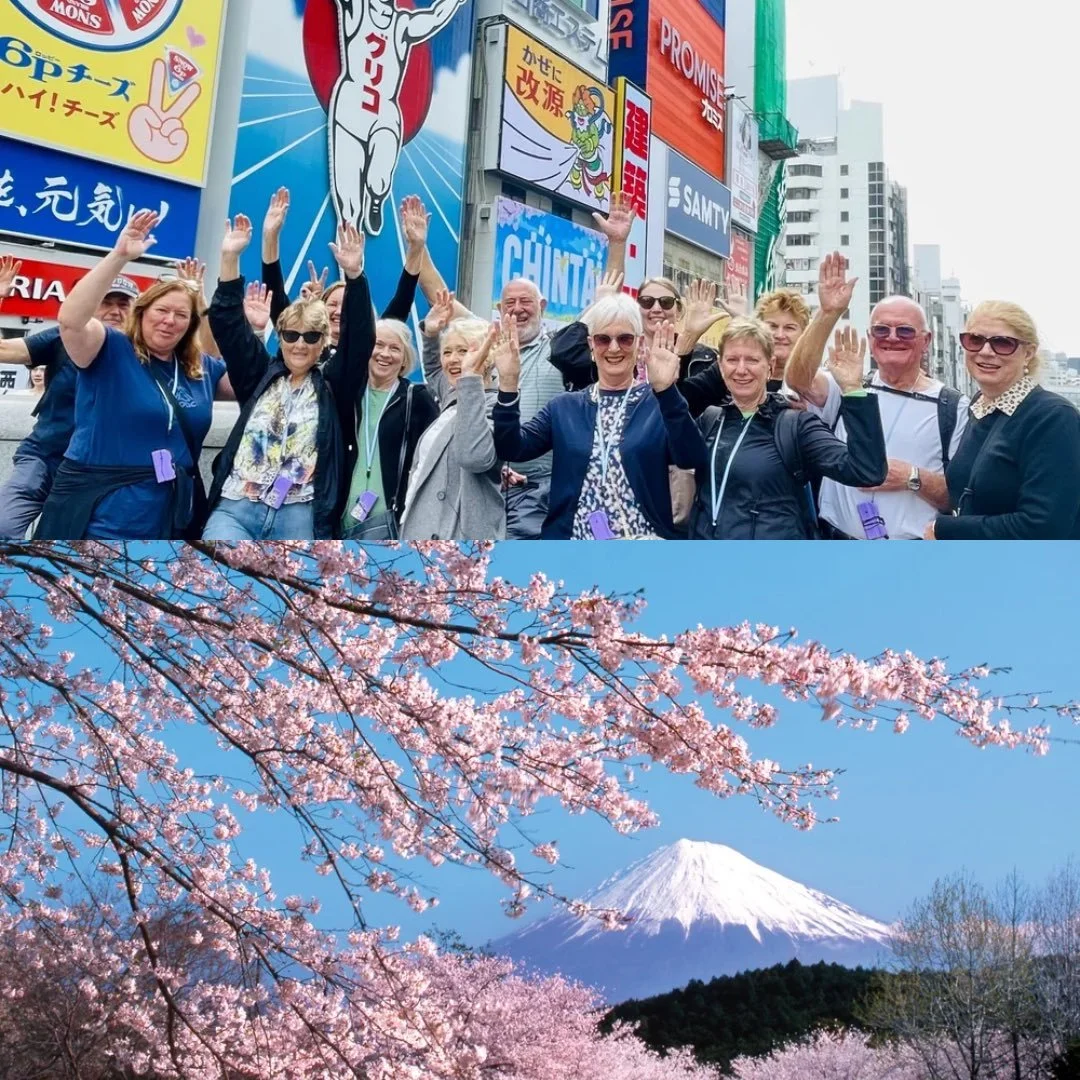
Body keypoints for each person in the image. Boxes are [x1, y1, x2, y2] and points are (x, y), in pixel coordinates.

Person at [419, 193, 636, 538]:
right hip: (487, 484)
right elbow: (441, 300)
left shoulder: (563, 347)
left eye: (526, 302)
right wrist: (418, 247)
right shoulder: (489, 341)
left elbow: (607, 300)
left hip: (545, 490)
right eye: (509, 303)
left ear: (543, 305)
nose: (517, 309)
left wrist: (617, 243)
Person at [35, 213, 233, 540]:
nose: (170, 321)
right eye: (161, 311)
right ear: (141, 313)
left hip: (168, 513)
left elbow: (258, 383)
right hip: (99, 511)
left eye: (181, 315)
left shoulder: (201, 368)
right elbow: (70, 320)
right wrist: (119, 256)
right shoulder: (109, 347)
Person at [204, 215, 373, 541]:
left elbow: (361, 339)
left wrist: (354, 275)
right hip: (237, 508)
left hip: (300, 512)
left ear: (323, 341)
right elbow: (227, 325)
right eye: (292, 335)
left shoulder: (332, 385)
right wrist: (229, 259)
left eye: (311, 337)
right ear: (280, 337)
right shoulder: (260, 376)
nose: (300, 344)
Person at [785, 252, 968, 539]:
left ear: (926, 341)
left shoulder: (953, 407)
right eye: (881, 330)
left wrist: (911, 477)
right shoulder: (850, 387)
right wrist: (828, 313)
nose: (892, 337)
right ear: (870, 339)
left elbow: (959, 494)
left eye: (905, 331)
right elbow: (798, 378)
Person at [491, 294, 705, 539]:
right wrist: (508, 384)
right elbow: (511, 448)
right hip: (572, 552)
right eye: (604, 339)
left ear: (639, 344)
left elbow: (692, 457)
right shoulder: (564, 407)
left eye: (624, 339)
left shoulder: (658, 403)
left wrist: (667, 391)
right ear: (592, 346)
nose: (614, 348)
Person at [688, 319, 887, 539]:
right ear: (720, 365)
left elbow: (867, 471)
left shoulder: (795, 425)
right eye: (732, 360)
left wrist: (852, 390)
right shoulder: (710, 419)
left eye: (752, 360)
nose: (741, 369)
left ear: (770, 365)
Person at [0, 257, 142, 539]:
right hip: (44, 456)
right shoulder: (61, 337)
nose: (114, 311)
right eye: (106, 302)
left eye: (123, 304)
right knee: (4, 526)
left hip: (99, 471)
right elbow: (3, 350)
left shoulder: (144, 351)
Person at [926, 301, 1080, 540]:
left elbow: (1043, 526)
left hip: (1028, 571)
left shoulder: (1053, 418)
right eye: (975, 340)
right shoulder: (980, 407)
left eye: (1002, 343)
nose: (986, 352)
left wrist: (945, 529)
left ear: (1028, 353)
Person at [329, 0, 467, 235]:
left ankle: (375, 199)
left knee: (380, 178)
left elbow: (433, 17)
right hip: (350, 108)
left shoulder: (400, 24)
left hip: (385, 114)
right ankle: (350, 261)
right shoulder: (358, 9)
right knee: (348, 202)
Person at [260, 188, 430, 337]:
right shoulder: (302, 341)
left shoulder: (371, 347)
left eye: (348, 306)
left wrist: (416, 247)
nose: (339, 312)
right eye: (332, 304)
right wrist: (270, 236)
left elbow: (402, 300)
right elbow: (276, 301)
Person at [400, 317, 504, 540]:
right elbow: (434, 370)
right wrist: (430, 334)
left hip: (456, 535)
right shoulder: (453, 395)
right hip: (418, 525)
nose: (453, 360)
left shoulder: (496, 404)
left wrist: (471, 378)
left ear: (487, 355)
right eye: (447, 352)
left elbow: (473, 457)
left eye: (463, 351)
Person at [337, 318, 437, 539]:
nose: (385, 354)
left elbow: (438, 451)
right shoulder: (348, 393)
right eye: (379, 345)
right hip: (338, 517)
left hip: (389, 521)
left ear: (404, 359)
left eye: (395, 348)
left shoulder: (416, 398)